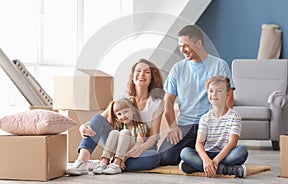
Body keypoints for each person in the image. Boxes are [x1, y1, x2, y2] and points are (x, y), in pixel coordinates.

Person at [66, 59, 164, 175]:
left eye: (147, 72)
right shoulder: (123, 100)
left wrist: (140, 148)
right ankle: (82, 162)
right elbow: (99, 121)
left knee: (154, 157)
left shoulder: (157, 103)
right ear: (132, 76)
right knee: (98, 118)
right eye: (138, 71)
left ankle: (110, 162)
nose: (141, 74)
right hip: (117, 142)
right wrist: (84, 126)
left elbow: (153, 136)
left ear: (152, 77)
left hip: (140, 146)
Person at [159, 25, 235, 165]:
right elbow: (168, 101)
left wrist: (221, 127)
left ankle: (195, 160)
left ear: (199, 43)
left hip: (211, 125)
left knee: (234, 155)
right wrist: (173, 127)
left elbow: (229, 100)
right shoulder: (177, 68)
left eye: (186, 46)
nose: (182, 50)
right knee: (164, 158)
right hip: (185, 126)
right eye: (180, 46)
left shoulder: (219, 65)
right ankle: (197, 158)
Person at [179, 76, 248, 178]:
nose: (214, 94)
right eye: (211, 91)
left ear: (227, 95)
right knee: (185, 153)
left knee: (242, 151)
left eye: (219, 91)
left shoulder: (234, 117)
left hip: (225, 155)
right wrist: (206, 160)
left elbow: (232, 143)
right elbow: (199, 143)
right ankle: (227, 169)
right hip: (208, 153)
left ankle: (196, 167)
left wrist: (216, 161)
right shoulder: (205, 118)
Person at [93, 97, 148, 175]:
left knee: (125, 132)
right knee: (114, 132)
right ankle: (104, 161)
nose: (123, 116)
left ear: (133, 111)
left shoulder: (140, 126)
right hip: (118, 151)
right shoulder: (119, 126)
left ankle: (117, 163)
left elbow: (139, 143)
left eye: (126, 112)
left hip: (131, 151)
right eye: (119, 114)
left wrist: (124, 158)